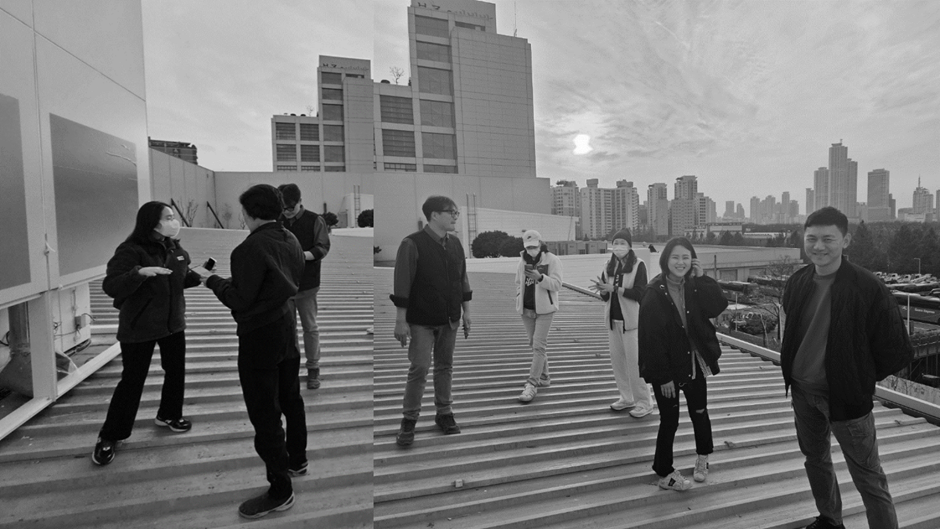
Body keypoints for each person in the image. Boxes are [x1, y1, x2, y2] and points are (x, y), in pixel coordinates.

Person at [781, 207, 913, 529]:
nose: (819, 246)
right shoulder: (798, 281)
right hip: (802, 393)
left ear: (846, 240)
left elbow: (895, 348)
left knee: (868, 476)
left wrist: (857, 377)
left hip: (846, 398)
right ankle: (830, 521)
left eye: (828, 239)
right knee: (816, 461)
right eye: (812, 238)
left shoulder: (867, 287)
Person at [200, 184, 307, 519]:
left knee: (264, 412)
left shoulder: (249, 248)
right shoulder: (290, 239)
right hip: (287, 326)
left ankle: (280, 490)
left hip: (260, 335)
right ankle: (297, 460)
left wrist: (212, 281)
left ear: (249, 213)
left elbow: (240, 299)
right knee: (291, 398)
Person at [93, 202, 201, 466]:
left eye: (173, 217)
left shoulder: (175, 249)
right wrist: (138, 273)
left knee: (175, 372)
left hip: (173, 324)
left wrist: (198, 277)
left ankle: (169, 415)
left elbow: (179, 279)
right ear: (152, 222)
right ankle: (110, 435)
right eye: (169, 217)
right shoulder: (130, 251)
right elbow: (111, 285)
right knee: (132, 381)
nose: (174, 222)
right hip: (140, 326)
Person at [638, 237, 728, 492]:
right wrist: (663, 377)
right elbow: (650, 338)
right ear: (666, 260)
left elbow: (717, 306)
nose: (681, 262)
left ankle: (703, 457)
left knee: (700, 411)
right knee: (669, 420)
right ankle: (664, 471)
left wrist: (703, 278)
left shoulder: (694, 285)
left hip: (694, 362)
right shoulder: (654, 292)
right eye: (675, 257)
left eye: (686, 257)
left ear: (692, 260)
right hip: (667, 367)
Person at [391, 195, 472, 447]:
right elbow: (402, 283)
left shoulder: (455, 244)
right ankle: (409, 419)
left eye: (456, 213)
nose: (455, 217)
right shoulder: (411, 244)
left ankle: (444, 413)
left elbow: (462, 278)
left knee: (445, 367)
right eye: (451, 212)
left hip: (450, 318)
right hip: (421, 320)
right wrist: (400, 320)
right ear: (434, 215)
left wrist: (467, 311)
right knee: (420, 368)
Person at [590, 228, 653, 417]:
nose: (618, 246)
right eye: (615, 243)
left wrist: (615, 289)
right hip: (612, 321)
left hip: (631, 323)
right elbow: (605, 296)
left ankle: (644, 402)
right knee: (618, 363)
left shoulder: (638, 265)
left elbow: (640, 293)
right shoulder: (608, 265)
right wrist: (603, 291)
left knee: (635, 364)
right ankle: (627, 397)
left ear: (629, 246)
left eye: (622, 243)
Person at [278, 183, 331, 390]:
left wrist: (303, 255)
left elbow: (323, 246)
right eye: (283, 208)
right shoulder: (278, 219)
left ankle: (313, 367)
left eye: (290, 207)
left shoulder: (314, 220)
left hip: (307, 284)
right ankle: (290, 368)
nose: (287, 212)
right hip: (283, 285)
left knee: (310, 327)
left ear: (300, 201)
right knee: (287, 330)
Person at [515, 230, 563, 403]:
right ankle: (544, 376)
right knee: (534, 344)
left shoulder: (552, 260)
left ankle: (532, 383)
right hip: (526, 310)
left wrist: (541, 278)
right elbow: (518, 282)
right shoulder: (522, 261)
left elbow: (557, 284)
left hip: (545, 310)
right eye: (528, 247)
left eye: (534, 247)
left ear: (541, 244)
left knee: (538, 346)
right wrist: (519, 298)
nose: (531, 250)